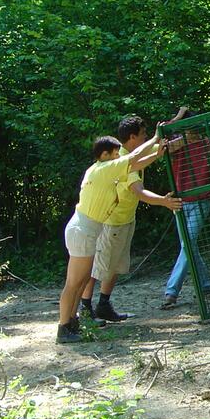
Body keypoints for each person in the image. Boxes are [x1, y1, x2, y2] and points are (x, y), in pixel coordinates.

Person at [57, 133, 167, 344]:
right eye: (115, 154)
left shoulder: (104, 170)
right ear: (104, 154)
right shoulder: (103, 169)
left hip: (87, 229)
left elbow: (133, 165)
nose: (118, 157)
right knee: (73, 283)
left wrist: (156, 155)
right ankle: (64, 327)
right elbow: (133, 157)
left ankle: (71, 322)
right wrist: (154, 140)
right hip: (83, 230)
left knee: (80, 282)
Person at [79, 115, 182, 322]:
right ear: (133, 137)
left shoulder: (134, 153)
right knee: (97, 268)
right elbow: (139, 191)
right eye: (143, 134)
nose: (146, 137)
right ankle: (85, 308)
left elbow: (160, 150)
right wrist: (164, 201)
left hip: (125, 220)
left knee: (114, 266)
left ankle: (103, 305)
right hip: (111, 223)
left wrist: (185, 132)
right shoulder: (121, 159)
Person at [162, 110, 210, 309]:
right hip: (180, 201)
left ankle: (171, 292)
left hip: (202, 200)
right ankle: (206, 285)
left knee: (187, 243)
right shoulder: (177, 145)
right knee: (189, 246)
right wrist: (177, 116)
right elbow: (161, 137)